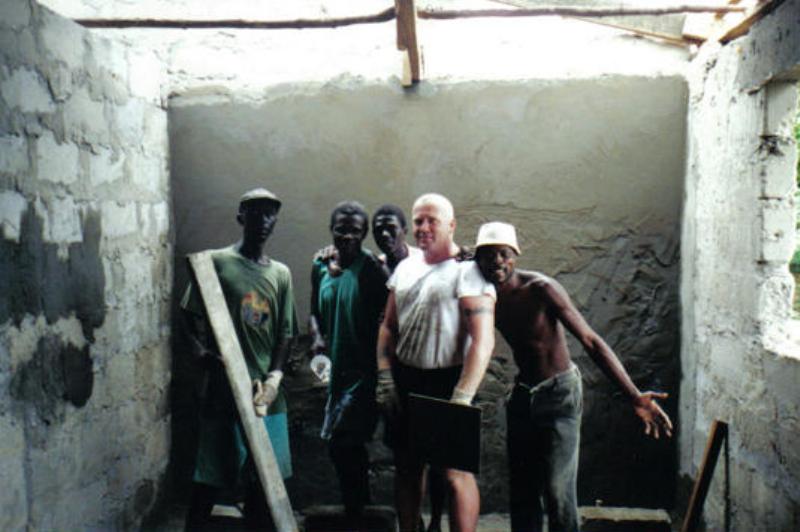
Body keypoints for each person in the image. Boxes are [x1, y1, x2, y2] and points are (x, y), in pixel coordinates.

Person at [472, 221, 674, 532]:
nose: (496, 262)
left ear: (515, 256)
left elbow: (591, 340)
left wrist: (634, 395)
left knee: (557, 491)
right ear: (477, 260)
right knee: (523, 491)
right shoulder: (483, 295)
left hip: (559, 394)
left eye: (503, 254)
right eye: (487, 255)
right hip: (524, 396)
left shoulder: (541, 289)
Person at [376, 193, 496, 532]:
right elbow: (387, 326)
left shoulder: (469, 272)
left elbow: (483, 339)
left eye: (433, 220)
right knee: (407, 467)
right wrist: (385, 378)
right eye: (418, 221)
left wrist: (462, 396)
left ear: (452, 225)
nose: (423, 227)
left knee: (455, 474)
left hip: (449, 381)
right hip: (406, 380)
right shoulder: (405, 266)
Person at [182, 188, 297, 531]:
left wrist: (275, 377)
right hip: (224, 389)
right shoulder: (217, 263)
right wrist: (200, 353)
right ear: (240, 217)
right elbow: (187, 316)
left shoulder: (280, 274)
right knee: (209, 479)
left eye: (270, 214)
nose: (263, 221)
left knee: (265, 483)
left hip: (265, 397)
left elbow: (286, 333)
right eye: (256, 213)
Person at [308, 201, 389, 518]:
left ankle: (358, 510)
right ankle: (359, 507)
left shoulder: (371, 270)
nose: (347, 237)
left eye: (355, 231)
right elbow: (314, 310)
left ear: (364, 234)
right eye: (341, 230)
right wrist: (316, 337)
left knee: (344, 444)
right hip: (335, 373)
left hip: (363, 374)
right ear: (332, 230)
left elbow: (389, 320)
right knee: (344, 446)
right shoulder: (320, 266)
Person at [372, 203, 444, 532]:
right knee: (406, 460)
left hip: (434, 370)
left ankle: (437, 521)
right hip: (399, 372)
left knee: (439, 460)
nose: (385, 235)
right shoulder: (376, 265)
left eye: (391, 228)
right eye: (378, 230)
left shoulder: (425, 259)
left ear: (404, 230)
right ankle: (410, 524)